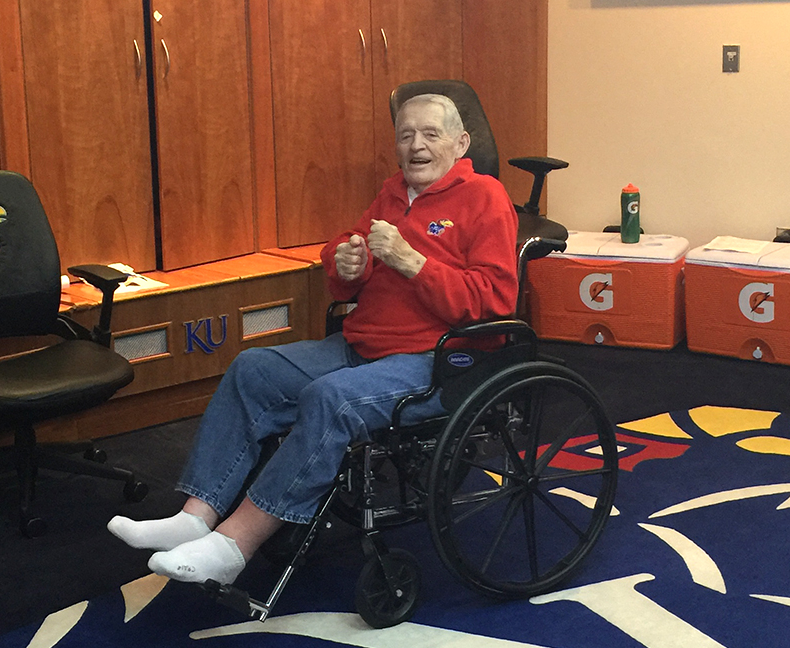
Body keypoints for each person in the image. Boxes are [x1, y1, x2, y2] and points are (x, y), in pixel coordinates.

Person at [107, 93, 519, 586]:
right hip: (361, 345)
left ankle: (235, 544)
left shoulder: (485, 197)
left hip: (438, 358)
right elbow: (346, 255)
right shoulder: (392, 194)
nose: (417, 145)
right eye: (406, 135)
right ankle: (194, 518)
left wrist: (414, 264)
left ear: (460, 142)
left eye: (431, 134)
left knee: (332, 399)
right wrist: (347, 265)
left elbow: (496, 301)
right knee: (251, 369)